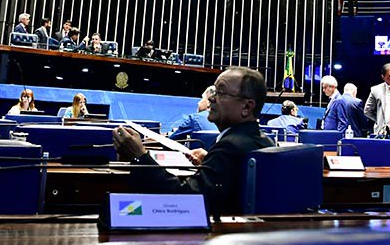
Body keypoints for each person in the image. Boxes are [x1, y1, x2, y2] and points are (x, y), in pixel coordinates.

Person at [112, 67, 274, 216]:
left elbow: (182, 203)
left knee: (119, 211)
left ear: (246, 107)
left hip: (219, 239)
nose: (211, 98)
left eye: (221, 92)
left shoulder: (230, 146)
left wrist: (140, 156)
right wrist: (211, 161)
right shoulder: (264, 141)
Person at [364, 63, 390, 136]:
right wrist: (379, 120)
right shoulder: (375, 90)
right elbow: (367, 111)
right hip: (381, 131)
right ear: (383, 77)